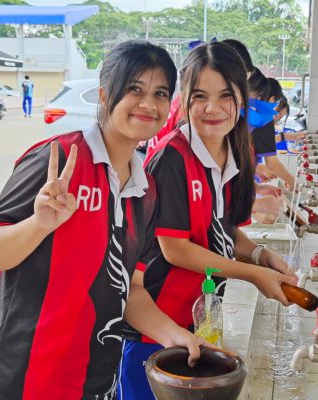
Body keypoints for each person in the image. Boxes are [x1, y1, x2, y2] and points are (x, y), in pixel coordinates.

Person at [0, 41, 207, 400]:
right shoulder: (59, 159)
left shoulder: (145, 191)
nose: (148, 104)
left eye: (160, 93)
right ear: (104, 94)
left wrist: (177, 336)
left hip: (95, 379)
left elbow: (132, 289)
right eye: (135, 89)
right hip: (23, 376)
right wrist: (38, 225)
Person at [117, 41, 297, 400]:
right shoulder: (172, 158)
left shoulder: (237, 152)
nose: (212, 108)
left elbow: (227, 230)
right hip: (155, 324)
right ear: (184, 99)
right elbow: (175, 249)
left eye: (225, 95)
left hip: (198, 318)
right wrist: (253, 274)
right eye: (200, 96)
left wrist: (261, 256)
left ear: (241, 98)